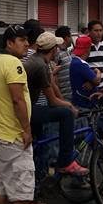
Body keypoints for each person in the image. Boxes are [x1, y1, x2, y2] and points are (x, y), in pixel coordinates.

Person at [0, 25, 32, 204]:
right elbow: (17, 99)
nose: (27, 44)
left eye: (27, 40)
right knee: (21, 187)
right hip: (14, 136)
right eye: (21, 40)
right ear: (10, 43)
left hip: (0, 134)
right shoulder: (14, 63)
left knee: (2, 182)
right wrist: (26, 129)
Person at [24, 32, 87, 176]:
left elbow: (53, 86)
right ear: (53, 50)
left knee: (41, 143)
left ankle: (41, 175)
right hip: (28, 109)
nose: (58, 51)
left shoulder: (39, 61)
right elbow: (52, 100)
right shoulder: (40, 66)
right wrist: (69, 107)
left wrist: (66, 102)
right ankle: (65, 161)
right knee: (66, 115)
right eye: (57, 48)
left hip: (29, 106)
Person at [69, 35, 100, 109]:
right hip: (84, 104)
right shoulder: (81, 64)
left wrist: (91, 82)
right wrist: (97, 71)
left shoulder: (74, 61)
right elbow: (97, 81)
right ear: (88, 49)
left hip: (78, 101)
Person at [53, 26, 74, 99]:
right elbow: (54, 75)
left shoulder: (66, 51)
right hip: (63, 96)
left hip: (70, 95)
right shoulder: (57, 53)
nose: (72, 39)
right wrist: (60, 97)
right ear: (66, 38)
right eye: (70, 36)